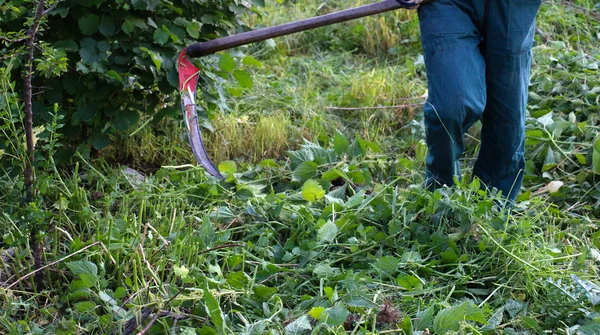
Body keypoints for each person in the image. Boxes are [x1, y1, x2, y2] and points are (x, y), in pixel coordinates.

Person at [416, 0, 542, 203]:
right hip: (446, 4)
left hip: (514, 7)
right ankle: (441, 199)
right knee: (451, 106)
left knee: (506, 126)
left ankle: (490, 211)